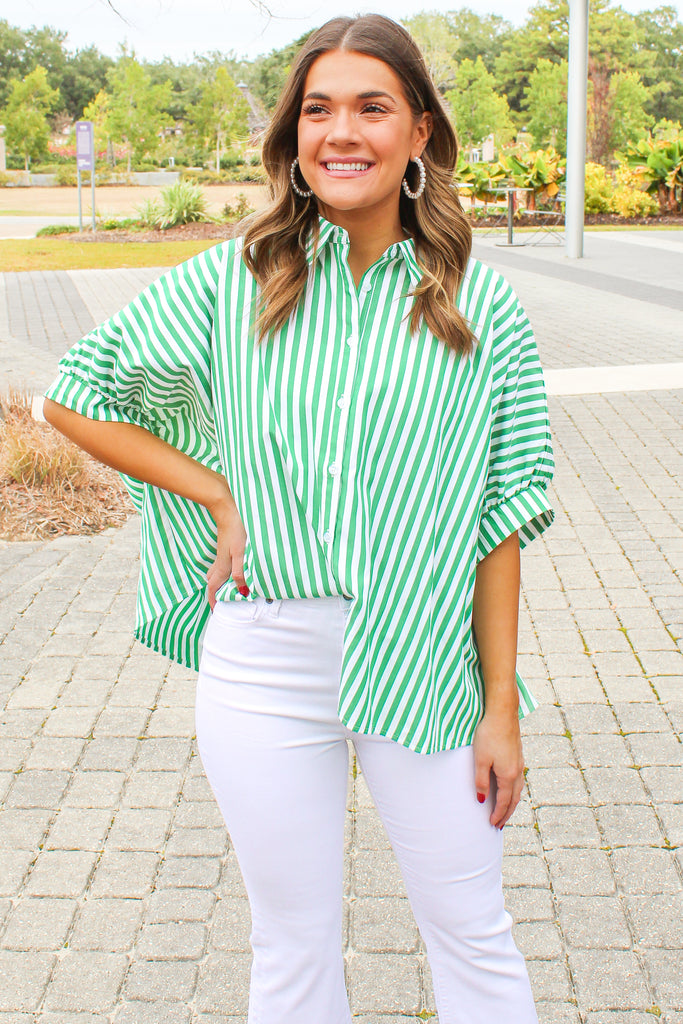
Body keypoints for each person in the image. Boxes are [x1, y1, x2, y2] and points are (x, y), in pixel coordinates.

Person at [43, 13, 554, 1023]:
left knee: (472, 934)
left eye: (372, 107)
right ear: (292, 137)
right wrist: (216, 490)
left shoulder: (479, 308)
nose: (341, 131)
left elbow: (499, 518)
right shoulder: (237, 278)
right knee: (288, 948)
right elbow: (73, 392)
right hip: (262, 660)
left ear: (417, 134)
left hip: (421, 660)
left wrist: (499, 704)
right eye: (317, 109)